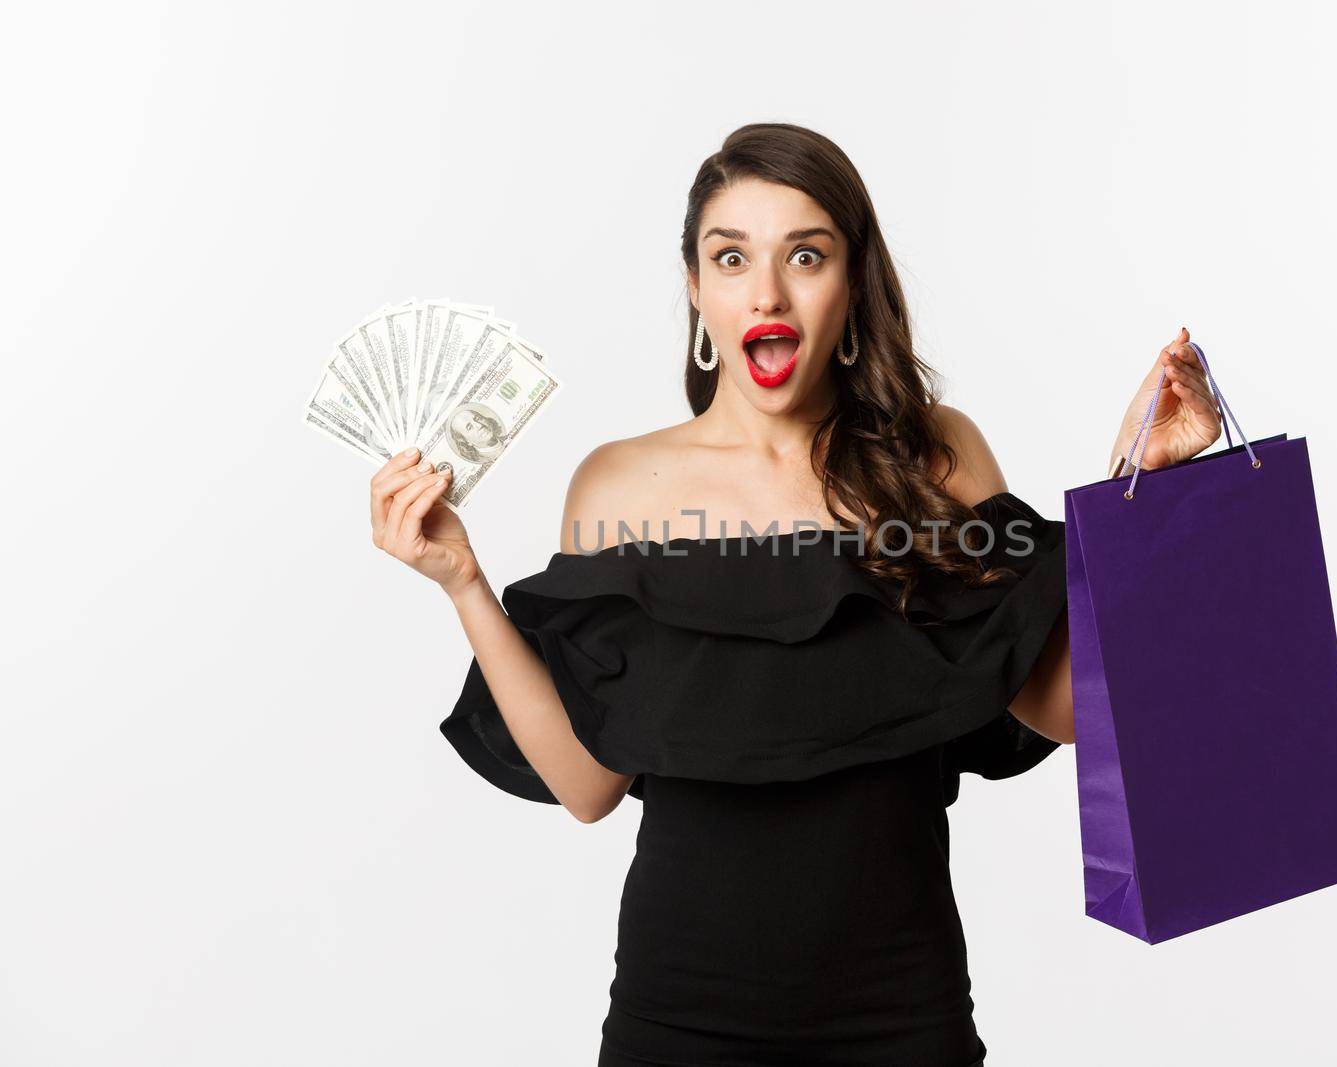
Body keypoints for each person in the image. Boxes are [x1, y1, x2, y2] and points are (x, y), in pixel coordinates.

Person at [368, 123, 1223, 1066]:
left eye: (803, 255)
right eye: (730, 258)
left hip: (904, 1017)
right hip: (677, 1022)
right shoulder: (618, 486)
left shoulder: (935, 459)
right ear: (696, 289)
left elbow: (1060, 703)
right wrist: (464, 581)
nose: (765, 291)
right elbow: (586, 784)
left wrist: (1141, 495)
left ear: (852, 285)